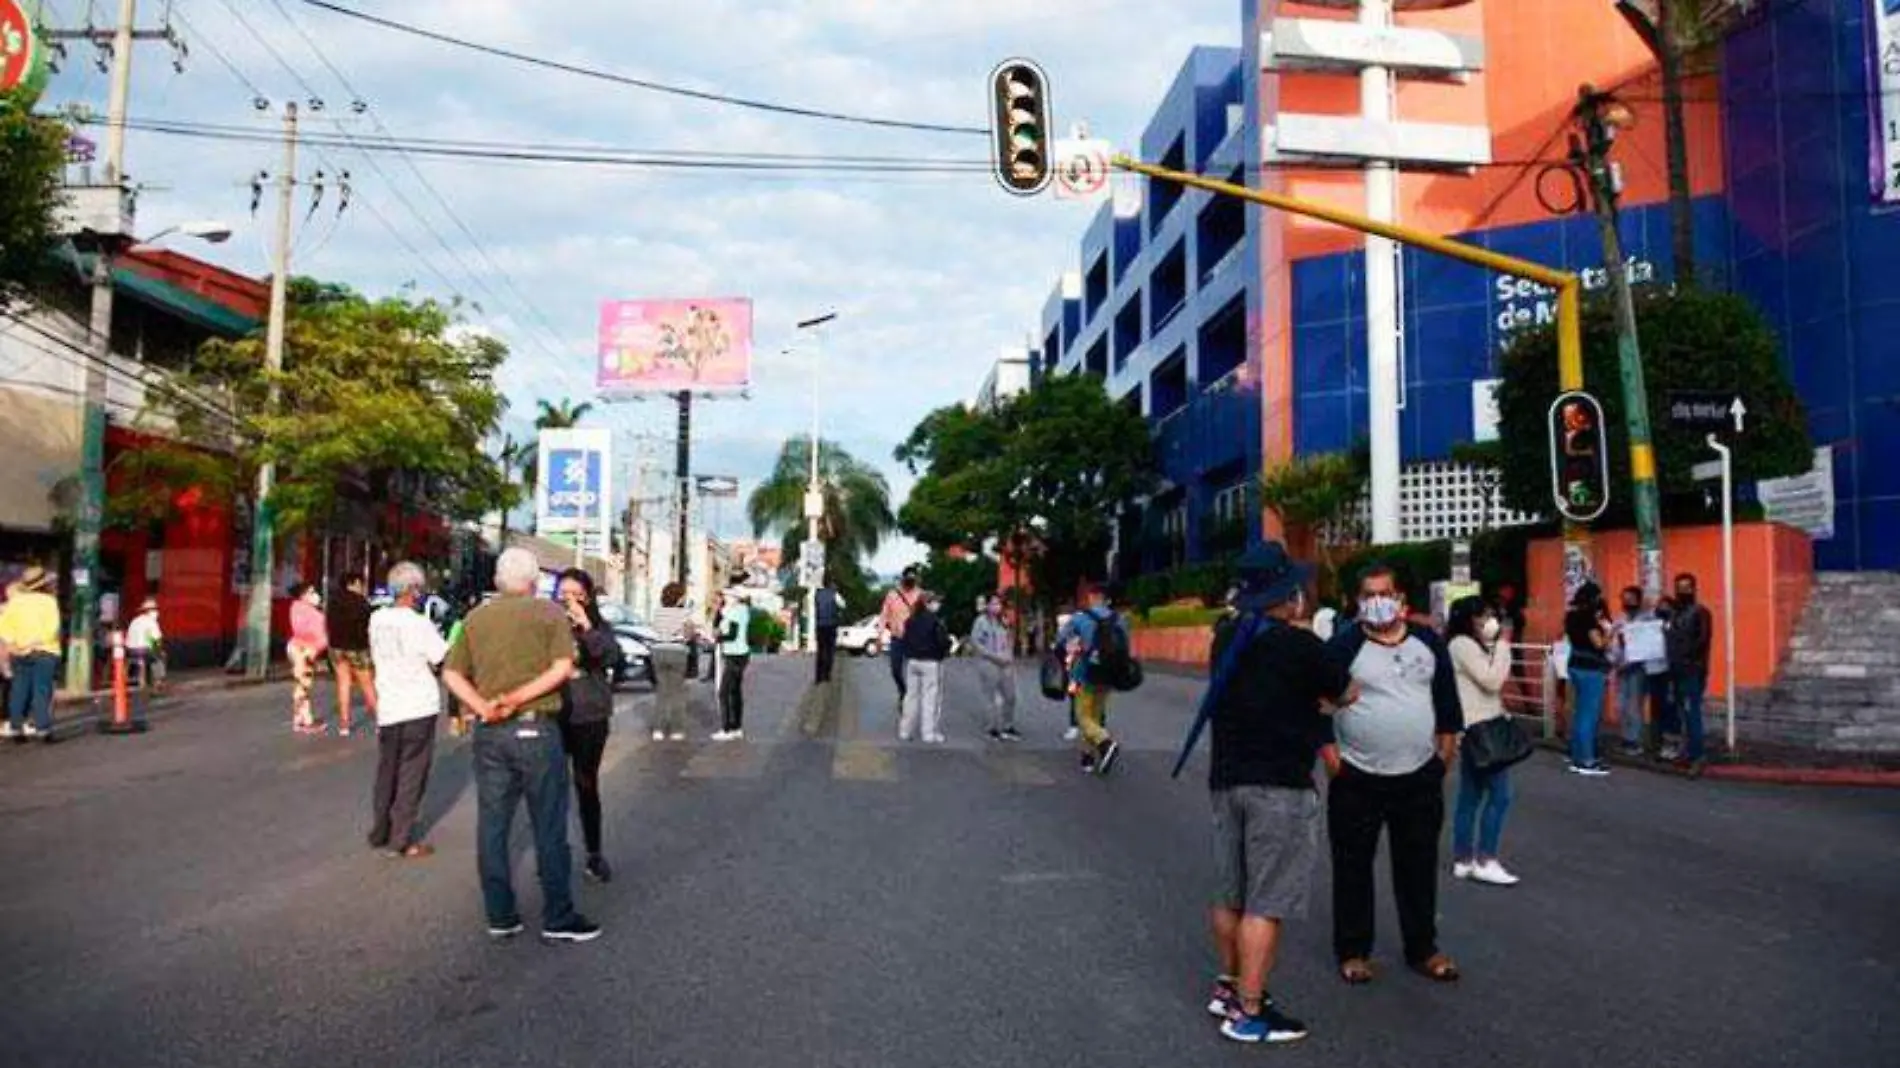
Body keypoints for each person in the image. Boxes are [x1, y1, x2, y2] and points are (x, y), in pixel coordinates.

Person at [1203, 542, 1354, 1045]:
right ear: (1286, 593)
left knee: (1232, 892)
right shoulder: (1300, 645)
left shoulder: (1226, 638)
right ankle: (1249, 1011)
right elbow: (1344, 691)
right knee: (1265, 903)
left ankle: (1227, 987)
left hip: (1227, 779)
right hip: (1280, 787)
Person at [440, 548, 599, 944]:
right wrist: (518, 698)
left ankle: (500, 915)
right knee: (548, 825)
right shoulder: (549, 614)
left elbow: (451, 673)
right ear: (533, 582)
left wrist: (483, 707)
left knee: (493, 825)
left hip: (490, 734)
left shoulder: (475, 619)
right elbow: (562, 668)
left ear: (497, 580)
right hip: (537, 729)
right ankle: (558, 916)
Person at [1324, 563, 1463, 985]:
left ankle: (1423, 948)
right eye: (1369, 594)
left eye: (1385, 592)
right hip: (1358, 776)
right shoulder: (1342, 647)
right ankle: (1353, 951)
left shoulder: (1427, 643)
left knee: (1418, 865)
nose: (1378, 601)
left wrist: (1443, 757)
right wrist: (1331, 758)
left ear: (1400, 597)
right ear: (1358, 601)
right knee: (1352, 867)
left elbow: (1447, 704)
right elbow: (1315, 704)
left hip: (1419, 775)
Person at [366, 562, 449, 860]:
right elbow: (441, 656)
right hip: (417, 705)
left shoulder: (376, 620)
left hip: (389, 704)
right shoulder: (419, 623)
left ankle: (380, 830)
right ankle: (400, 840)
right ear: (413, 591)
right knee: (412, 773)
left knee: (387, 770)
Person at [1445, 595, 1520, 887]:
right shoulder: (1462, 645)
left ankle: (1463, 859)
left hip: (1473, 727)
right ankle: (1486, 859)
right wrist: (1502, 644)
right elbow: (1491, 680)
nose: (1490, 622)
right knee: (1500, 795)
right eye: (1484, 615)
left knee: (1470, 796)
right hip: (1481, 730)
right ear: (1469, 618)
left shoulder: (1461, 645)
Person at [555, 568, 623, 884]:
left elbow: (611, 656)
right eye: (562, 593)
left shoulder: (596, 626)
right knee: (549, 787)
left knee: (585, 784)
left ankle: (594, 853)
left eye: (575, 593)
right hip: (553, 713)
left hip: (589, 716)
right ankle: (551, 853)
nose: (568, 599)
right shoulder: (548, 624)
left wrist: (585, 626)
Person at [1057, 581, 1126, 775]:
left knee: (1083, 716)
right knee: (1095, 714)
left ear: (1093, 597)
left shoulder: (1081, 618)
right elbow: (1125, 646)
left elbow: (1062, 639)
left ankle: (1105, 742)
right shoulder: (1119, 619)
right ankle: (1088, 757)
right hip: (1109, 674)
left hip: (1085, 672)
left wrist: (1072, 648)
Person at [0, 567, 63, 744]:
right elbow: (52, 629)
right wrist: (33, 643)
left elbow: (4, 629)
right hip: (44, 650)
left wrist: (15, 645)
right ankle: (42, 728)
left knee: (19, 689)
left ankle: (16, 727)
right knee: (41, 690)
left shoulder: (15, 603)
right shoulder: (49, 602)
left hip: (18, 651)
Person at [1564, 581, 1613, 776]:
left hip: (1575, 663)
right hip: (1591, 668)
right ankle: (1585, 760)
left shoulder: (1571, 616)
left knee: (1580, 713)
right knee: (1588, 714)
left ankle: (1576, 754)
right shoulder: (1588, 619)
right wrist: (1609, 631)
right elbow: (1599, 644)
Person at [1666, 572, 1713, 773]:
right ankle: (1688, 751)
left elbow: (1702, 641)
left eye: (1686, 587)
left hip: (1692, 670)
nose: (1682, 591)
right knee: (1682, 713)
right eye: (1679, 587)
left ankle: (1697, 755)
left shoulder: (1700, 612)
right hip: (1676, 669)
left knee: (1692, 712)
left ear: (1694, 589)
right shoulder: (1675, 614)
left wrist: (1686, 659)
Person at [326, 574, 379, 738]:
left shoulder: (333, 600)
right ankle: (381, 722)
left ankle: (344, 724)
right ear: (355, 583)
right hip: (357, 648)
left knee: (343, 683)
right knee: (367, 684)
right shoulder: (361, 602)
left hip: (336, 647)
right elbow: (367, 626)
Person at [899, 592, 953, 744]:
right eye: (935, 602)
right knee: (930, 698)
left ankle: (905, 730)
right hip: (931, 662)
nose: (938, 604)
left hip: (912, 662)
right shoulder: (935, 621)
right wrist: (945, 650)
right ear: (928, 604)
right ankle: (928, 733)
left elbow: (905, 639)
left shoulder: (911, 620)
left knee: (911, 697)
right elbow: (942, 641)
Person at [648, 581, 697, 742]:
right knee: (676, 692)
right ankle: (677, 730)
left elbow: (653, 629)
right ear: (679, 598)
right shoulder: (684, 614)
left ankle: (658, 729)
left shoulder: (657, 612)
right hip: (677, 652)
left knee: (662, 691)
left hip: (658, 651)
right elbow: (689, 634)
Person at [970, 595, 1020, 742]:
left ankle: (1008, 726)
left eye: (999, 604)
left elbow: (1009, 639)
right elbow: (977, 643)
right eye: (993, 604)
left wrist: (1009, 655)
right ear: (988, 606)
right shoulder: (980, 622)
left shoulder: (1003, 621)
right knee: (990, 698)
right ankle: (992, 728)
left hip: (1006, 663)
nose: (996, 607)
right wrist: (994, 657)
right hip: (989, 663)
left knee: (1011, 696)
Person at [287, 582, 329, 735]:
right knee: (303, 686)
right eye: (311, 592)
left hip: (297, 647)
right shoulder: (313, 614)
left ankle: (303, 719)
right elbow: (321, 637)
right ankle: (304, 721)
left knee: (302, 684)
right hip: (306, 651)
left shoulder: (296, 608)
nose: (315, 595)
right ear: (303, 596)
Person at [714, 580, 752, 741]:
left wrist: (718, 637)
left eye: (728, 596)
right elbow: (717, 622)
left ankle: (727, 728)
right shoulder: (739, 611)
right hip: (740, 654)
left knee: (724, 691)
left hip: (734, 654)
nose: (725, 598)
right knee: (735, 691)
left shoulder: (735, 612)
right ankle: (736, 726)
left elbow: (732, 634)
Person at [880, 567, 924, 707]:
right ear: (903, 579)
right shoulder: (893, 595)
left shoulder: (920, 595)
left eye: (913, 579)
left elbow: (928, 617)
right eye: (908, 579)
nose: (911, 583)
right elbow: (884, 615)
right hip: (897, 638)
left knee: (914, 670)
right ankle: (903, 690)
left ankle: (911, 697)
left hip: (914, 639)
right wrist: (879, 636)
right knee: (895, 669)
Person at [124, 596, 165, 691]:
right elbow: (156, 639)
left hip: (130, 650)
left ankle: (142, 680)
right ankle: (157, 682)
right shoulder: (151, 622)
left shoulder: (135, 620)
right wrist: (159, 649)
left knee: (152, 654)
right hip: (143, 650)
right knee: (159, 657)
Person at [813, 576, 843, 684]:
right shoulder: (835, 595)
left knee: (820, 651)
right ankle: (827, 675)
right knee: (830, 651)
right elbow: (843, 605)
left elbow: (816, 607)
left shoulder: (818, 594)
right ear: (832, 585)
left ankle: (818, 676)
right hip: (831, 625)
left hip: (820, 625)